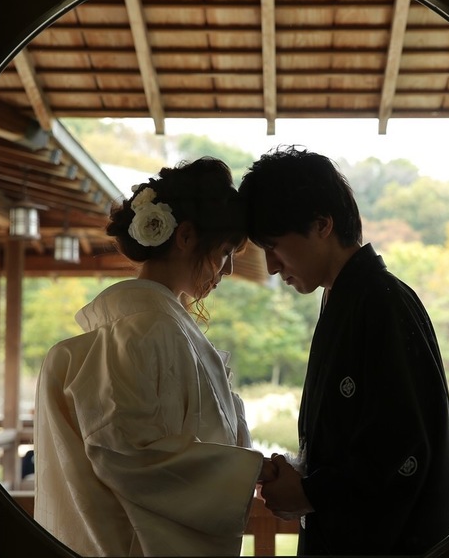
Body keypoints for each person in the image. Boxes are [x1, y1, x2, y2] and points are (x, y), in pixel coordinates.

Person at [238, 145, 449, 556]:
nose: (272, 266)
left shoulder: (382, 302)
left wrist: (311, 491)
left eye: (274, 245)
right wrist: (301, 476)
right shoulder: (345, 299)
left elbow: (402, 453)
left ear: (322, 225)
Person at [34, 157, 274, 557]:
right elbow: (126, 451)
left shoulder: (153, 326)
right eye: (225, 251)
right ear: (184, 237)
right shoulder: (147, 329)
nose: (228, 269)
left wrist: (247, 464)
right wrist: (253, 468)